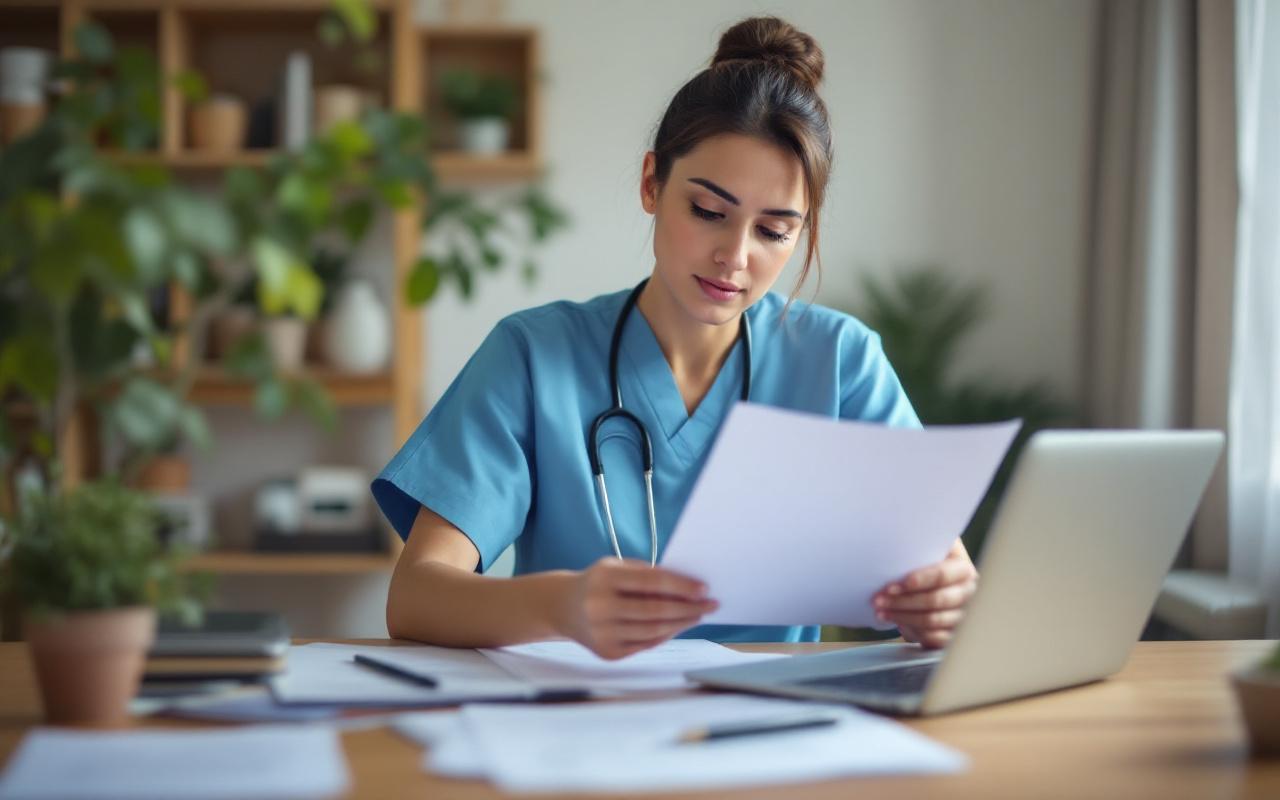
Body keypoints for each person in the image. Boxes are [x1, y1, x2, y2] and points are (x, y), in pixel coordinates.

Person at [373, 15, 978, 660]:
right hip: (579, 726)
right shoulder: (531, 356)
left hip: (770, 732)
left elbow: (947, 574)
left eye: (774, 231)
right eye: (709, 212)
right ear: (650, 184)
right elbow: (415, 599)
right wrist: (563, 606)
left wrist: (947, 602)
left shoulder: (840, 363)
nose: (735, 256)